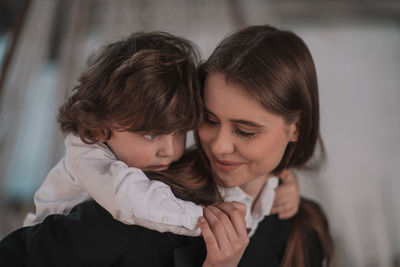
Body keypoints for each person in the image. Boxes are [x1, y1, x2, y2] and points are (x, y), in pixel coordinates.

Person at [0, 25, 332, 267]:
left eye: (245, 131)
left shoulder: (304, 231)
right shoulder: (137, 201)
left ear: (296, 129)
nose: (219, 146)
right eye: (209, 120)